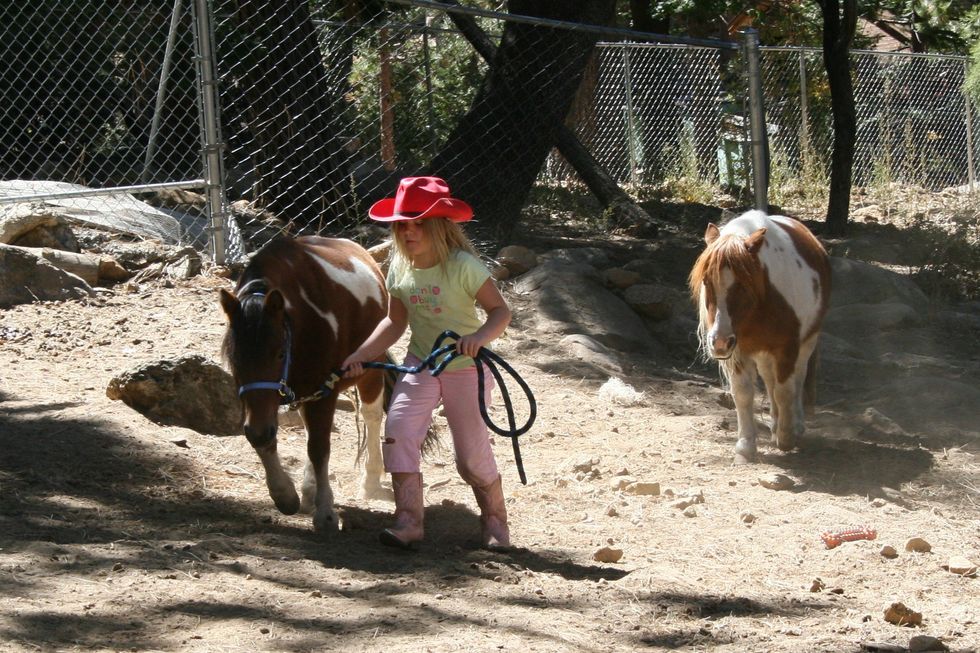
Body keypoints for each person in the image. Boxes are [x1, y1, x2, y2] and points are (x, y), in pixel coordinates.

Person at [342, 176, 513, 550]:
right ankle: (408, 521)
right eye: (403, 224)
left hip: (465, 367)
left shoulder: (464, 266)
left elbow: (500, 311)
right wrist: (360, 355)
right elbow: (394, 322)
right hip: (421, 363)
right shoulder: (400, 269)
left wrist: (478, 338)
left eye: (419, 223)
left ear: (438, 226)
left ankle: (496, 522)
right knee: (399, 428)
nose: (409, 231)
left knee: (470, 456)